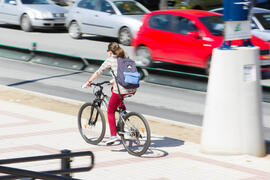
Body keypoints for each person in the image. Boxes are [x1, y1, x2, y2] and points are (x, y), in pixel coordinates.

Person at [82, 42, 137, 145]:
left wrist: (88, 82)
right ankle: (123, 112)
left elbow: (98, 72)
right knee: (114, 91)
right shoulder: (126, 56)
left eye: (108, 52)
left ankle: (113, 136)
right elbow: (123, 72)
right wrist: (113, 80)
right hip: (133, 87)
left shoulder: (110, 60)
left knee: (110, 111)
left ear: (110, 52)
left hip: (121, 89)